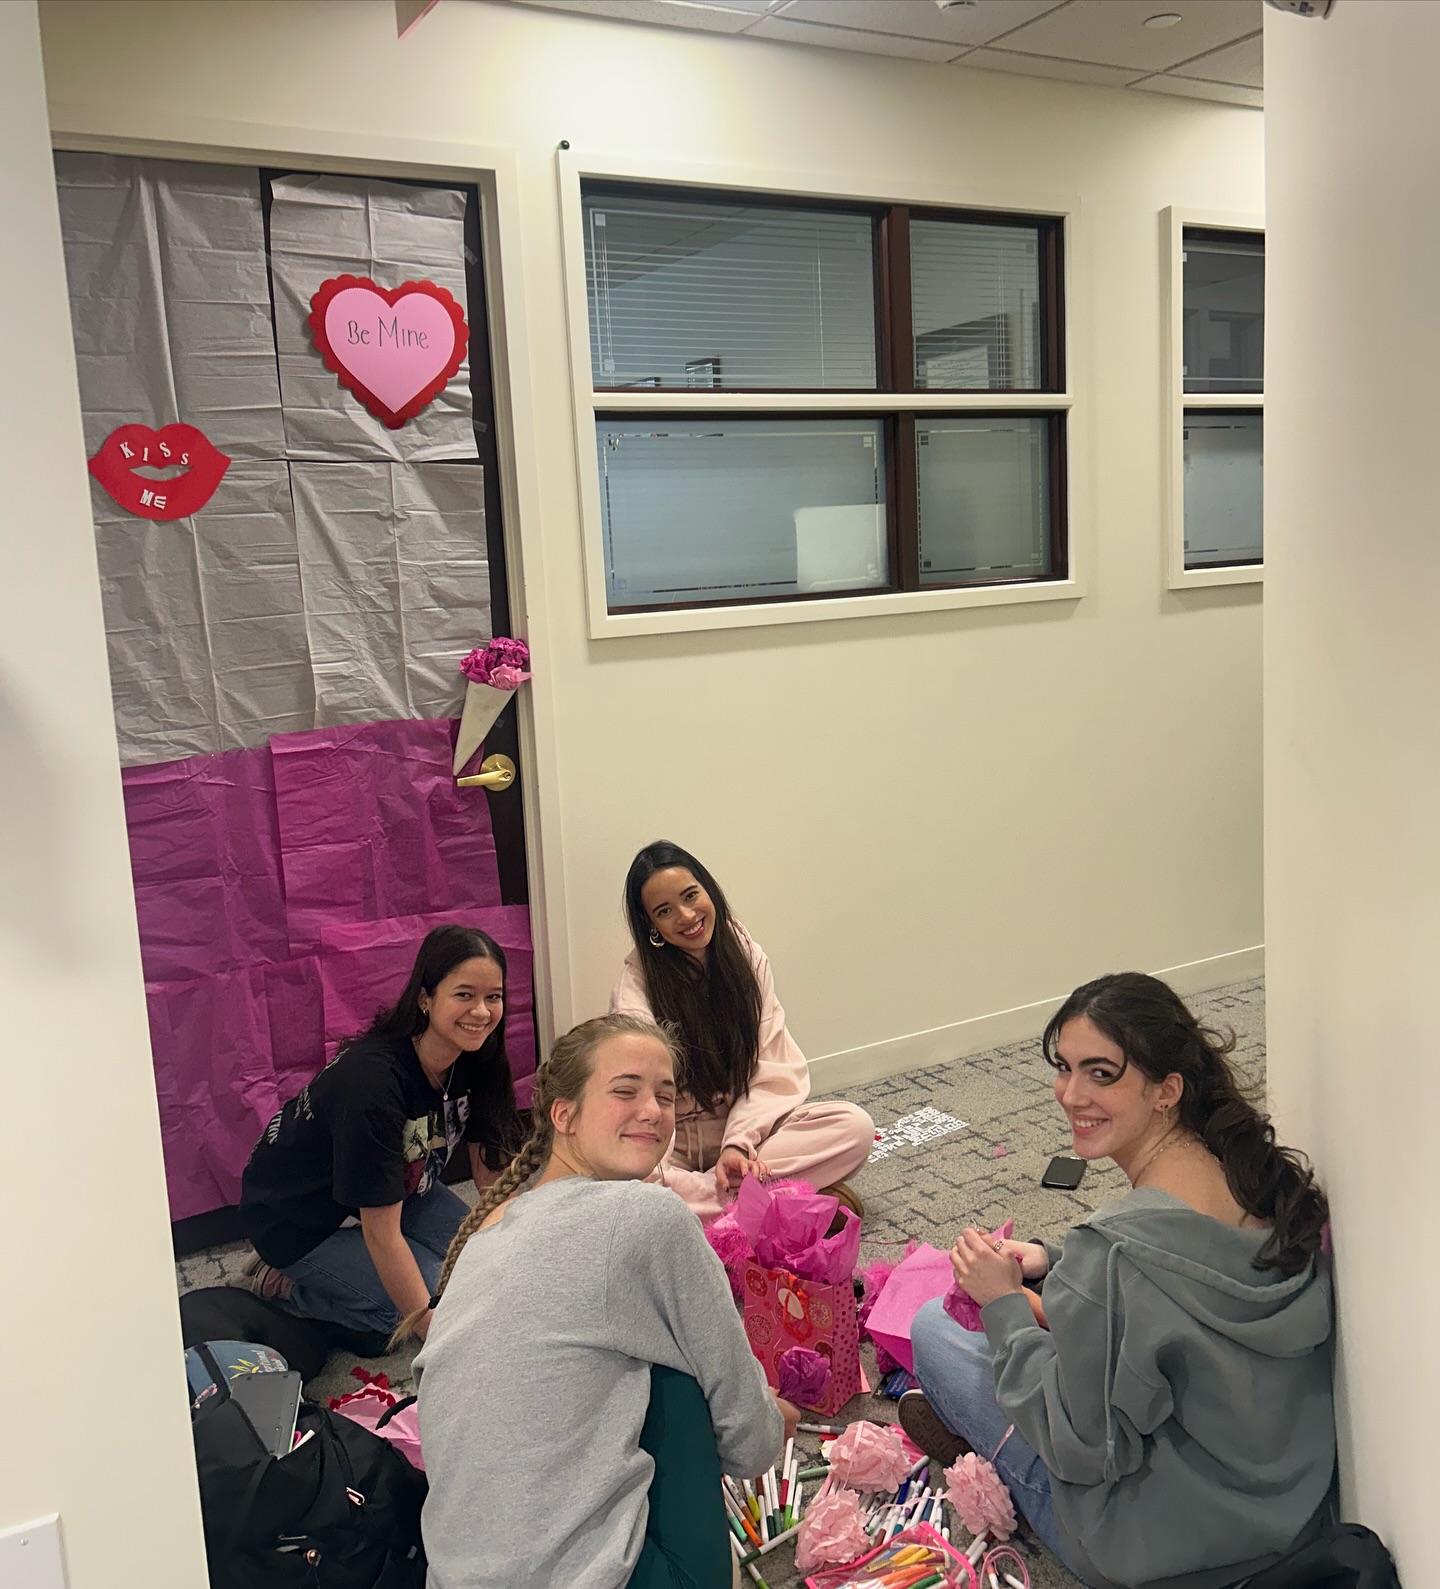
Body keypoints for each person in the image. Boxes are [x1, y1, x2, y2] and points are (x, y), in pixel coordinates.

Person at [902, 972, 1335, 1589]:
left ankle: (986, 1461)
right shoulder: (1256, 1181)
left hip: (1160, 1559)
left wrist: (1002, 1303)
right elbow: (1183, 1268)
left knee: (934, 1331)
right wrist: (1056, 1263)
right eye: (1065, 1067)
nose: (1071, 1094)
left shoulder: (1109, 1254)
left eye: (1101, 1074)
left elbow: (1081, 1449)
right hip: (1285, 1514)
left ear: (1167, 1090)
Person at [412, 1012, 792, 1589]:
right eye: (625, 1091)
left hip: (452, 1576)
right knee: (680, 1358)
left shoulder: (485, 1232)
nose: (652, 1111)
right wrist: (770, 1415)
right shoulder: (649, 1216)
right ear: (563, 1113)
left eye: (666, 1096)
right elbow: (752, 1448)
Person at [237, 924, 526, 1346]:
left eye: (493, 997)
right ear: (426, 999)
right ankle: (286, 1282)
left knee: (483, 1270)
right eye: (464, 995)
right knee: (428, 1310)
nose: (481, 1012)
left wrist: (516, 1252)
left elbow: (492, 1174)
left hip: (398, 1189)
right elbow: (382, 1234)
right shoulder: (374, 1085)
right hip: (298, 1219)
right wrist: (435, 1335)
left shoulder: (479, 1056)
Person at [610, 840, 874, 1222]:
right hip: (675, 1144)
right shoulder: (636, 987)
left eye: (691, 896)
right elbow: (645, 1102)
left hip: (751, 1135)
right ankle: (769, 1205)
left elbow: (773, 1067)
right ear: (651, 925)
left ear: (709, 890)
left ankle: (725, 1213)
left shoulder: (747, 956)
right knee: (634, 1192)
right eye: (665, 911)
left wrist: (738, 1144)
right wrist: (664, 1177)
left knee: (854, 1127)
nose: (687, 916)